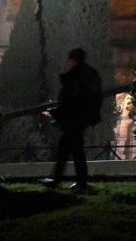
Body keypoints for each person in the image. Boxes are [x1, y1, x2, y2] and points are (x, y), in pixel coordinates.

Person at [42, 48, 102, 191]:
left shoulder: (74, 77)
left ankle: (77, 182)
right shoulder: (91, 75)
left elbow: (70, 101)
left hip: (73, 119)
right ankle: (61, 180)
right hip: (82, 118)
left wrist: (54, 113)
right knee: (69, 148)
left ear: (72, 60)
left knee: (74, 150)